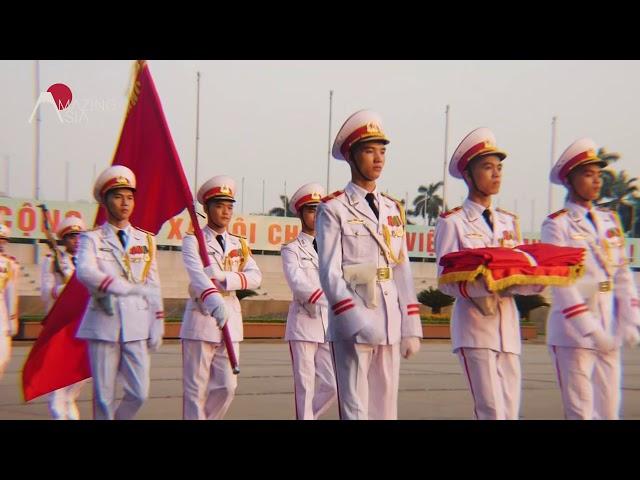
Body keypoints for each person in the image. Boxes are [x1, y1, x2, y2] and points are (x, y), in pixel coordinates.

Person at [316, 109, 422, 420]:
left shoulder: (393, 209)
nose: (378, 159)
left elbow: (401, 268)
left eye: (382, 151)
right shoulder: (333, 208)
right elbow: (329, 271)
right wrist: (355, 318)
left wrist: (410, 323)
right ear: (350, 156)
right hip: (355, 320)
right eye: (369, 151)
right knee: (355, 408)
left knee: (386, 407)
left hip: (389, 318)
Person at [435, 127, 542, 420]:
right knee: (490, 410)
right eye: (487, 168)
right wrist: (486, 287)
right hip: (475, 328)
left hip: (507, 329)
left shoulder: (509, 222)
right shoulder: (453, 222)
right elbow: (446, 281)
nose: (496, 174)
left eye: (499, 168)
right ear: (468, 175)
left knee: (509, 412)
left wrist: (535, 283)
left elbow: (516, 274)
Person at [542, 137, 640, 419]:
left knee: (609, 411)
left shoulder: (610, 220)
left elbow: (622, 274)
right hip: (573, 333)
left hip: (609, 327)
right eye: (588, 174)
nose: (597, 181)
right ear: (570, 181)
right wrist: (589, 328)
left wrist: (629, 321)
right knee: (581, 412)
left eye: (599, 175)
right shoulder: (556, 224)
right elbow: (562, 283)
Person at [76, 165, 164, 420]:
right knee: (103, 397)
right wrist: (118, 286)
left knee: (139, 393)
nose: (125, 203)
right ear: (104, 201)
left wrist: (157, 321)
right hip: (104, 322)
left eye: (130, 197)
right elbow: (85, 272)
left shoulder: (146, 240)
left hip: (137, 325)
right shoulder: (91, 239)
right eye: (117, 196)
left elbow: (153, 283)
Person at [180, 175, 262, 420]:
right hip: (201, 319)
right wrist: (212, 293)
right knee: (195, 390)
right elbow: (197, 276)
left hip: (231, 321)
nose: (226, 212)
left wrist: (225, 278)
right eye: (219, 205)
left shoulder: (239, 243)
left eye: (229, 206)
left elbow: (255, 276)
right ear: (206, 208)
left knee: (228, 387)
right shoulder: (193, 241)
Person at [282, 182, 337, 419]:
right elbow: (298, 282)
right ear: (301, 214)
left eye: (319, 211)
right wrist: (332, 296)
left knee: (333, 385)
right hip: (304, 323)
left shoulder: (332, 248)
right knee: (305, 387)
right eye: (311, 210)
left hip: (327, 326)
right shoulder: (291, 249)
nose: (316, 216)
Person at [40, 216, 88, 419]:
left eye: (79, 236)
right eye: (71, 237)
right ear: (63, 239)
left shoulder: (87, 261)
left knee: (77, 380)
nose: (76, 241)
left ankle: (70, 407)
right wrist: (68, 288)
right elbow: (46, 291)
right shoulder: (52, 260)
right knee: (59, 381)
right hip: (61, 326)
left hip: (82, 324)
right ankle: (59, 412)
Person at [0, 224, 18, 381]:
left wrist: (12, 319)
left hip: (2, 315)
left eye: (3, 240)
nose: (1, 243)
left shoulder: (8, 264)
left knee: (2, 357)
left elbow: (10, 292)